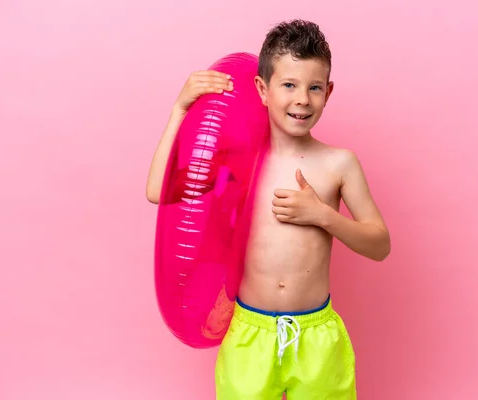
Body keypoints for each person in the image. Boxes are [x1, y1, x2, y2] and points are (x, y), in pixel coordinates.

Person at [146, 19, 390, 400]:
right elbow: (157, 190)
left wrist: (323, 215)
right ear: (263, 89)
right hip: (249, 333)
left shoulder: (339, 164)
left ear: (328, 92)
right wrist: (180, 109)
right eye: (289, 85)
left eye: (313, 88)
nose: (302, 100)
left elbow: (380, 245)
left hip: (315, 336)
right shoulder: (237, 164)